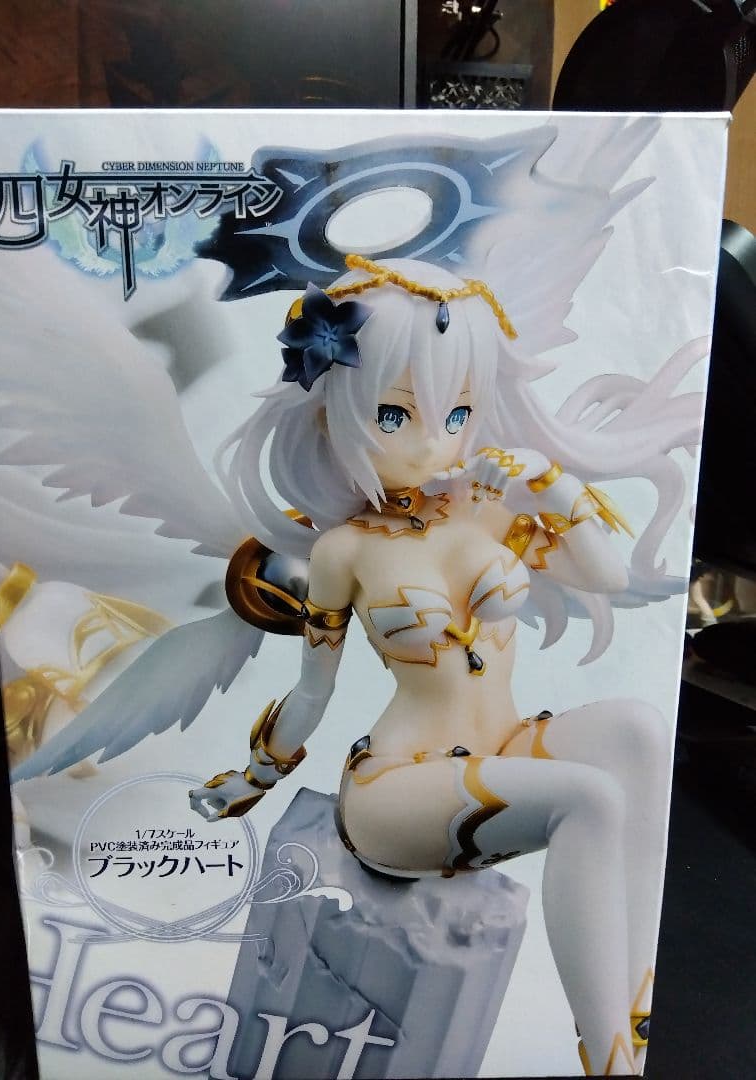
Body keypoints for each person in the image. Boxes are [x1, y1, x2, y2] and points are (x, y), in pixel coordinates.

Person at [186, 254, 690, 1076]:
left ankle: (633, 1013)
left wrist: (554, 487)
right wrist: (252, 777)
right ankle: (609, 1063)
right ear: (337, 414)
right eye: (394, 414)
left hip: (502, 746)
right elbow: (314, 690)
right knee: (590, 798)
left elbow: (606, 576)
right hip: (399, 791)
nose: (433, 440)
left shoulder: (486, 507)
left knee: (637, 731)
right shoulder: (346, 551)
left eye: (457, 412)